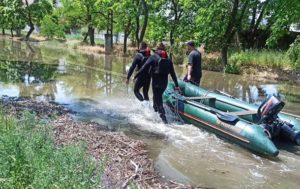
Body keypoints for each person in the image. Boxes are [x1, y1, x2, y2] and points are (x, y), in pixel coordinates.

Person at [135, 43, 180, 124]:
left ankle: (164, 122)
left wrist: (135, 75)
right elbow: (173, 74)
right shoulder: (168, 60)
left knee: (159, 102)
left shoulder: (153, 57)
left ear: (156, 50)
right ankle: (155, 117)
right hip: (164, 84)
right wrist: (176, 85)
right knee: (156, 99)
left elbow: (144, 67)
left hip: (156, 84)